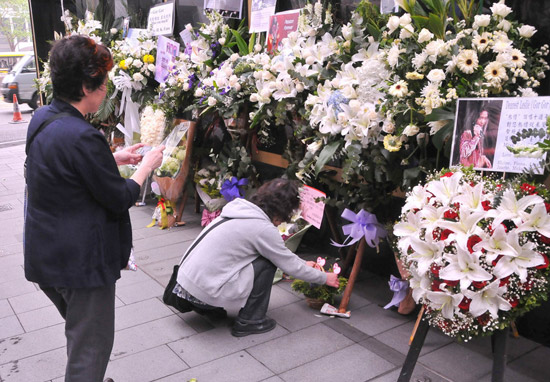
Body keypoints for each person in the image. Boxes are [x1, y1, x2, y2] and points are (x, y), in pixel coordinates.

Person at [24, 35, 165, 382]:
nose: (106, 90)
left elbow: (63, 168)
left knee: (82, 334)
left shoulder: (43, 117)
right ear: (87, 87)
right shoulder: (82, 136)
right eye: (103, 83)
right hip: (81, 264)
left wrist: (111, 158)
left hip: (46, 255)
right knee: (91, 347)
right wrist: (145, 167)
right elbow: (118, 198)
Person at [175, 178, 340, 336]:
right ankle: (250, 321)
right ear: (283, 210)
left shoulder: (240, 210)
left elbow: (283, 255)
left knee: (265, 257)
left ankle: (207, 307)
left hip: (185, 286)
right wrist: (324, 277)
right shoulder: (261, 228)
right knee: (267, 262)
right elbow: (288, 264)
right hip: (203, 292)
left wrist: (305, 263)